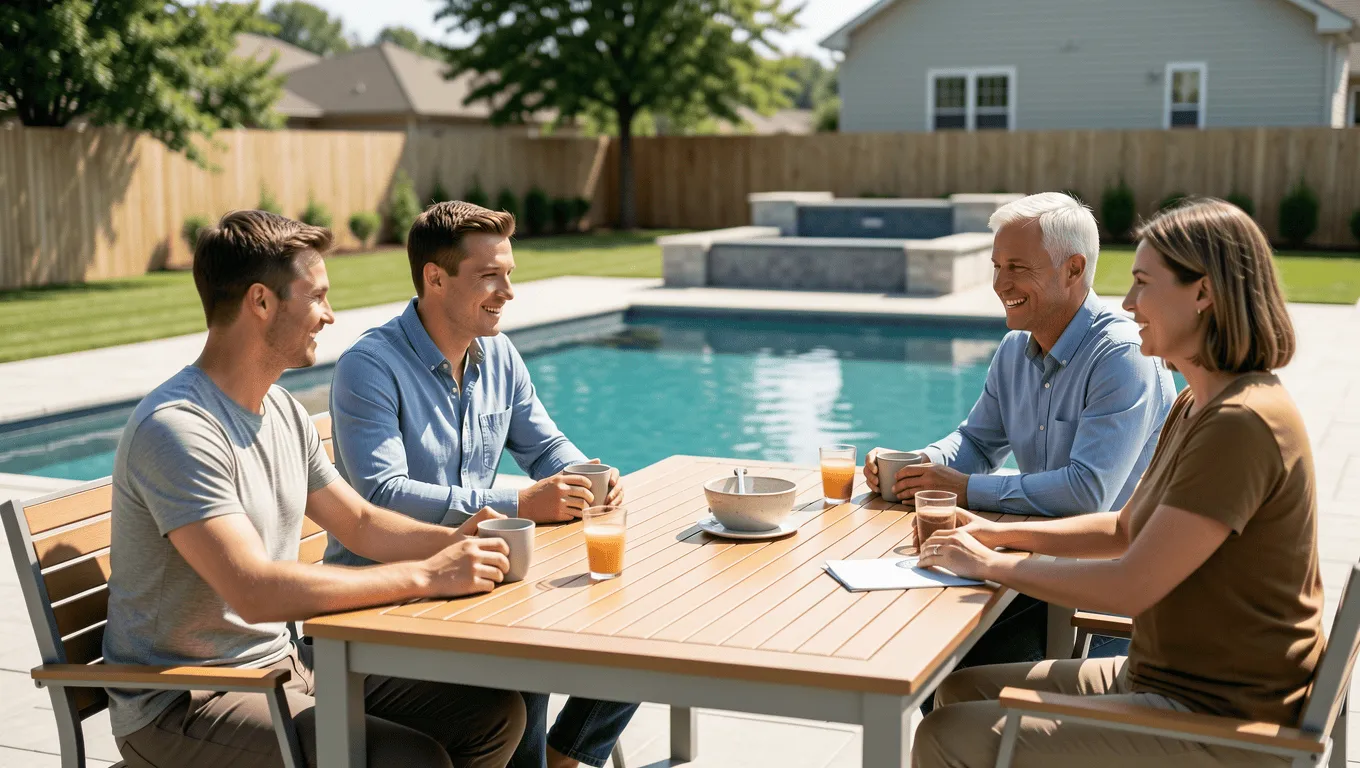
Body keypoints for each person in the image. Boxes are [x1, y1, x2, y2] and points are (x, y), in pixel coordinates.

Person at [103, 210, 527, 768]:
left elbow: (360, 523)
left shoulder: (279, 408)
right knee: (408, 758)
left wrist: (456, 542)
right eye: (317, 297)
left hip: (285, 667)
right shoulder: (180, 429)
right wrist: (428, 575)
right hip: (184, 699)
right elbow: (253, 589)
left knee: (492, 714)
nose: (330, 316)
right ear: (261, 302)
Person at [913, 198, 1323, 767]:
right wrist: (994, 534)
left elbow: (1132, 585)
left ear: (1202, 294)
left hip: (1220, 715)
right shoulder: (1196, 404)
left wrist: (987, 565)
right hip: (1164, 673)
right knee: (958, 690)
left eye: (1143, 283)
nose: (1128, 304)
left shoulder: (1241, 423)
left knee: (946, 734)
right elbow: (1125, 528)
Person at [327, 201, 636, 768]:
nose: (507, 291)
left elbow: (545, 448)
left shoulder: (498, 355)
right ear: (435, 278)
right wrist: (519, 501)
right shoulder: (369, 366)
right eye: (489, 276)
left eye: (508, 274)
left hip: (480, 580)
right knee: (533, 657)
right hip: (382, 604)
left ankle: (567, 757)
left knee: (638, 631)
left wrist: (588, 475)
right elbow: (382, 494)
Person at [865, 192, 1175, 670]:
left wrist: (968, 489)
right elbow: (976, 442)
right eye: (996, 266)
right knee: (927, 638)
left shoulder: (1120, 355)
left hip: (1104, 595)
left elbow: (1086, 492)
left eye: (1017, 267)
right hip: (1044, 564)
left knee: (954, 656)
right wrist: (924, 464)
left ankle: (990, 738)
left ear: (1073, 270)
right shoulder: (1015, 349)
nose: (999, 283)